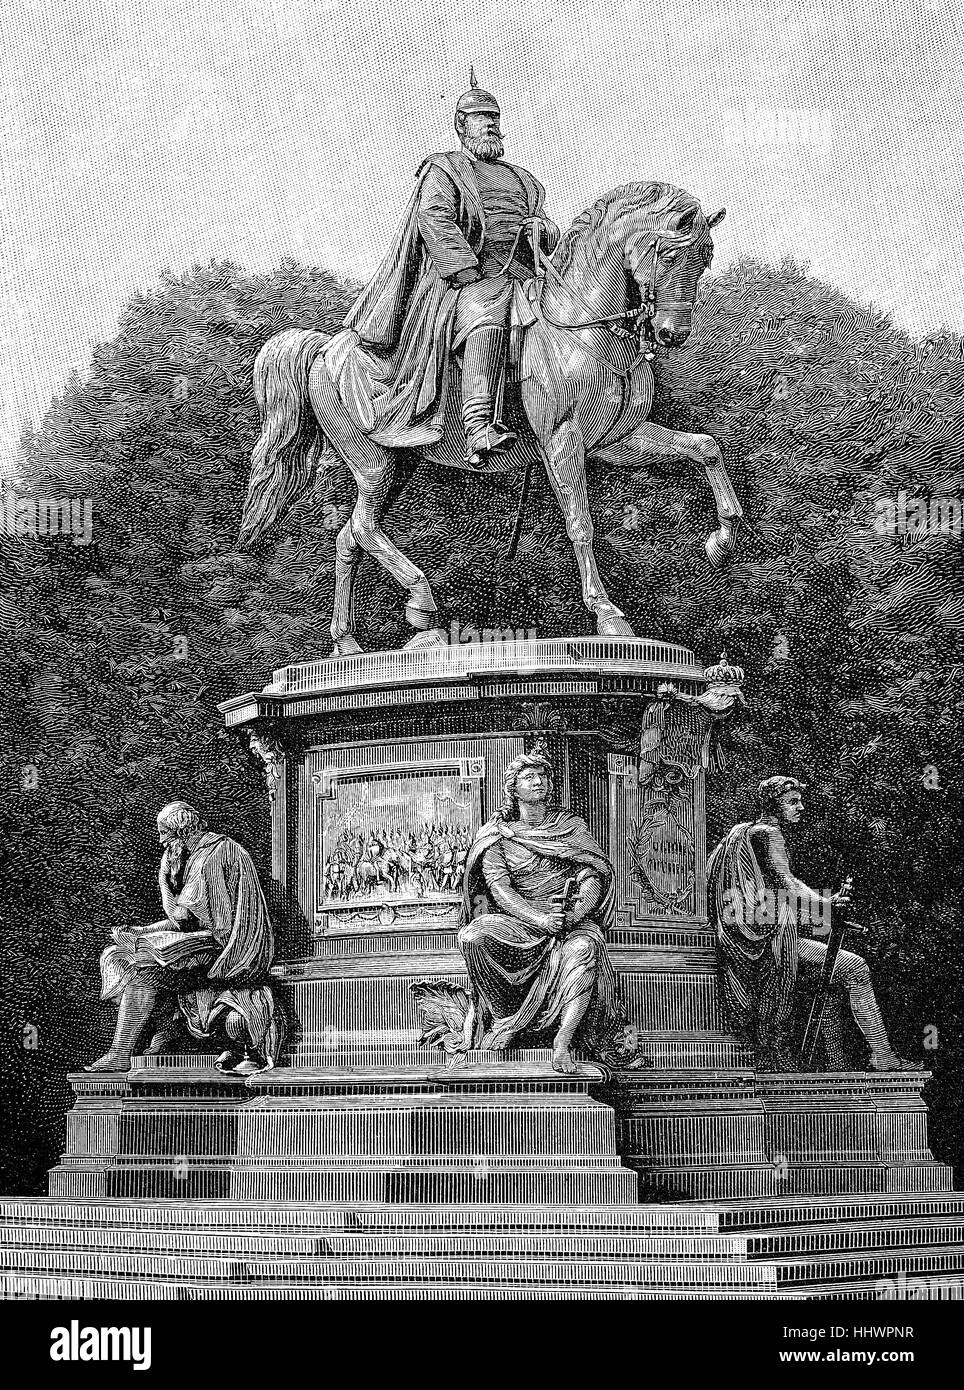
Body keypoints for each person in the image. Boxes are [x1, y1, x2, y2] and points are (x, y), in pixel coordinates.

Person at [342, 69, 559, 463]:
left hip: (524, 277)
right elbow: (435, 219)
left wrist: (541, 230)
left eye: (495, 117)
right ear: (462, 124)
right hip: (460, 281)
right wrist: (467, 271)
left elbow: (547, 225)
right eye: (482, 117)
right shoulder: (445, 168)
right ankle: (479, 426)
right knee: (487, 302)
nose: (492, 125)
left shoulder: (523, 178)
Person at [458, 746, 648, 1073]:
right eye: (528, 777)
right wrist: (541, 919)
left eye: (543, 776)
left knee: (585, 949)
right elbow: (500, 889)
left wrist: (573, 915)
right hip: (523, 922)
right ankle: (507, 1020)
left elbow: (593, 875)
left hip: (570, 922)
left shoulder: (569, 826)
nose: (538, 782)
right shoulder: (496, 836)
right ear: (512, 787)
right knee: (472, 937)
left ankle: (563, 1041)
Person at [707, 775, 916, 1072]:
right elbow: (787, 885)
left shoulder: (743, 834)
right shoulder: (769, 834)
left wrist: (818, 909)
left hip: (755, 937)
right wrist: (827, 905)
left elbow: (771, 898)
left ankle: (836, 1064)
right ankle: (882, 1056)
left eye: (800, 801)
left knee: (830, 979)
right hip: (768, 944)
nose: (801, 807)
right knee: (855, 967)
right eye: (792, 802)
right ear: (772, 804)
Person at [86, 801, 283, 1072]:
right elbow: (188, 919)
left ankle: (121, 1053)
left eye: (165, 833)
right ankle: (164, 1033)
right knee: (118, 953)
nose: (162, 841)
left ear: (181, 832)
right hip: (209, 937)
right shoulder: (203, 852)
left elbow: (181, 918)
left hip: (227, 948)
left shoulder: (212, 855)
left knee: (141, 966)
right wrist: (141, 931)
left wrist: (164, 883)